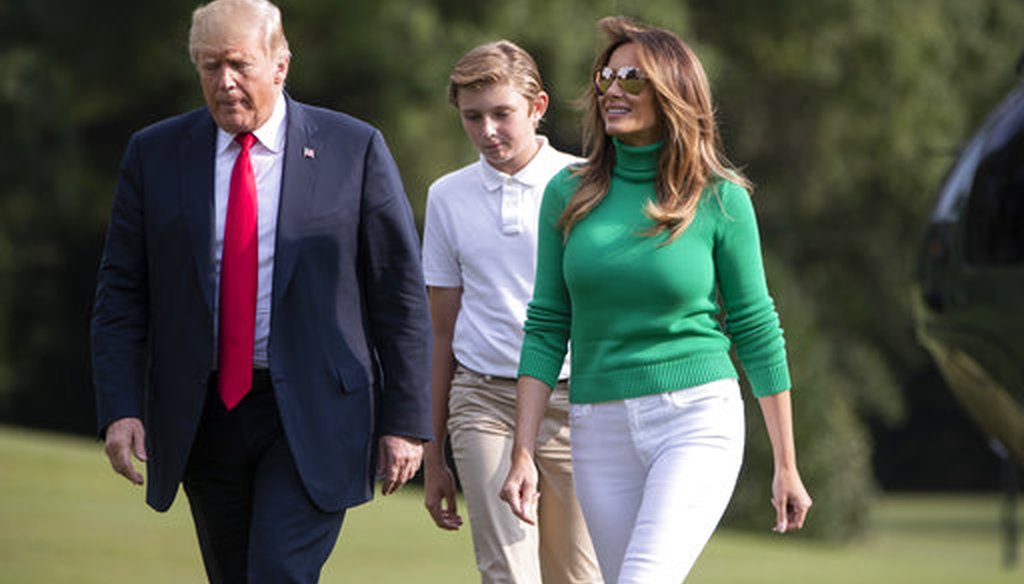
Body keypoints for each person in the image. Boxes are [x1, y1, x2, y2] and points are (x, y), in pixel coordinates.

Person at [89, 0, 432, 582]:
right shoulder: (155, 153)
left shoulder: (355, 149)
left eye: (240, 65)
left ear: (280, 65)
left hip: (316, 410)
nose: (224, 82)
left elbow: (398, 293)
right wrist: (120, 408)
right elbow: (121, 292)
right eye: (208, 66)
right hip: (204, 412)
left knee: (278, 572)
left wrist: (406, 419)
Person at [500, 16, 812, 584]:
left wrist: (786, 464)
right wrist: (523, 451)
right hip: (596, 425)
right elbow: (546, 325)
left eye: (633, 79)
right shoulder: (567, 195)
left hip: (695, 418)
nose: (613, 89)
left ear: (673, 92)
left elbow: (758, 330)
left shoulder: (720, 198)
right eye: (606, 76)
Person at [421, 41, 603, 584]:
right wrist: (434, 456)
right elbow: (440, 333)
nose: (488, 131)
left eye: (502, 114)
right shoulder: (446, 197)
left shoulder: (586, 185)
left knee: (577, 576)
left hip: (577, 400)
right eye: (473, 118)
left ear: (538, 106)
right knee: (507, 573)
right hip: (483, 400)